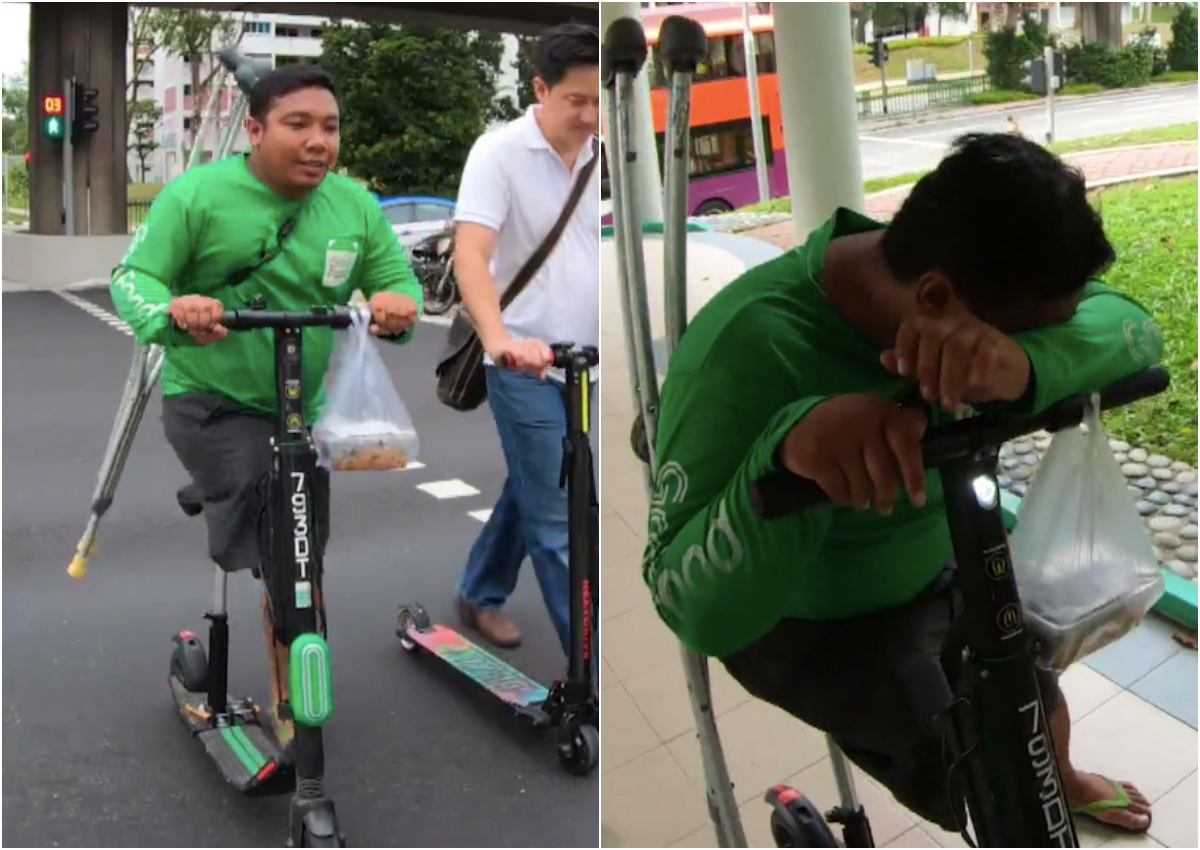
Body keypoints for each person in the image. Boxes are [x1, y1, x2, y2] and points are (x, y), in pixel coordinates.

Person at [643, 134, 1160, 835]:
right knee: (976, 767)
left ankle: (1058, 779)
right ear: (936, 294)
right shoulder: (745, 347)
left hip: (945, 557)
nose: (995, 357)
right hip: (813, 624)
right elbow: (685, 601)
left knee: (1028, 684)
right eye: (1004, 337)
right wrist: (785, 452)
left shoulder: (985, 273)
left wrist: (1024, 363)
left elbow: (1131, 328)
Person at [109, 65, 422, 759]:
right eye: (298, 125)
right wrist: (175, 311)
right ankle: (291, 685)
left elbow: (396, 282)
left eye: (330, 127)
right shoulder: (197, 197)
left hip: (299, 411)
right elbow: (132, 280)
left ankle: (288, 664)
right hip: (212, 403)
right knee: (277, 518)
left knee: (297, 547)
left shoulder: (352, 206)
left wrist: (401, 307)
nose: (319, 142)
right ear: (254, 128)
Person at [450, 23, 600, 664]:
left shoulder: (602, 151)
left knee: (536, 488)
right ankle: (590, 672)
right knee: (563, 521)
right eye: (576, 102)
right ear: (540, 89)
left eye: (600, 101)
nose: (591, 116)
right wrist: (501, 340)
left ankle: (479, 589)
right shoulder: (498, 153)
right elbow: (471, 256)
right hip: (525, 368)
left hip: (588, 364)